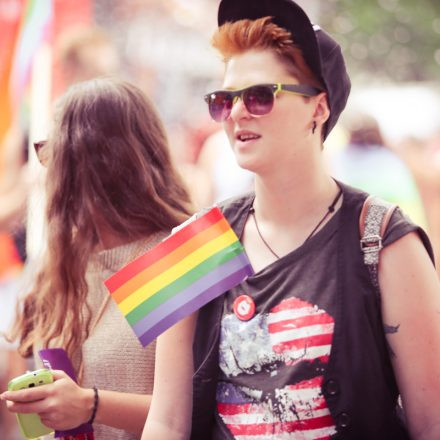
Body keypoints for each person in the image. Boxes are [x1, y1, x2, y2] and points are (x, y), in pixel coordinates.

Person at [190, 1, 440, 439]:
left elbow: (432, 423)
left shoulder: (386, 242)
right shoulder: (198, 242)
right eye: (223, 100)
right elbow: (168, 420)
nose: (236, 113)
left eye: (260, 95)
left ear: (318, 109)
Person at [1, 78, 194, 440]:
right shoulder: (62, 262)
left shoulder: (177, 258)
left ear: (92, 159)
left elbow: (193, 409)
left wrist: (90, 404)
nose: (45, 170)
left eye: (51, 152)